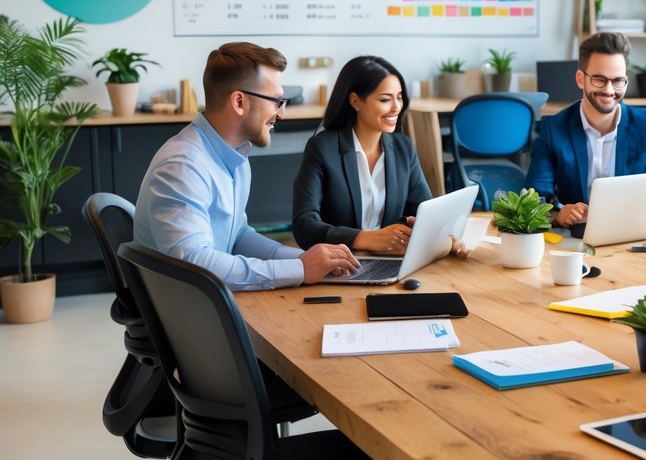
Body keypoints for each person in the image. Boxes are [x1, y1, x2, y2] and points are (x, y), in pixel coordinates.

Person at [134, 42, 361, 290]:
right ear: (239, 102)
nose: (281, 114)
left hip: (211, 299)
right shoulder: (183, 165)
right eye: (276, 101)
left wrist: (303, 259)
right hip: (188, 311)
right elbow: (195, 263)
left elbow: (238, 236)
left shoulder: (236, 157)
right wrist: (300, 270)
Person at [291, 55, 466, 258]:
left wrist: (443, 234)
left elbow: (423, 212)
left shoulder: (404, 148)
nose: (396, 107)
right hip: (344, 263)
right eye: (385, 99)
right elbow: (304, 225)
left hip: (393, 261)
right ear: (355, 101)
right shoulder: (322, 148)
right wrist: (365, 238)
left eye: (399, 97)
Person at [524, 31, 646, 228]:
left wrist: (630, 205)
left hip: (629, 231)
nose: (610, 90)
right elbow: (534, 196)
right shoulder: (554, 129)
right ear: (580, 78)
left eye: (618, 81)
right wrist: (559, 214)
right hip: (577, 237)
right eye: (600, 79)